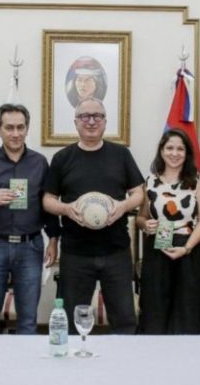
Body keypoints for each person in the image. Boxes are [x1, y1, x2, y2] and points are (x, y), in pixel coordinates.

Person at [43, 98, 144, 334]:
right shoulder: (62, 158)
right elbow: (47, 200)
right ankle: (73, 368)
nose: (91, 121)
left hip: (116, 251)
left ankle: (121, 368)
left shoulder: (121, 155)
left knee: (124, 319)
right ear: (76, 122)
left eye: (97, 116)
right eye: (84, 116)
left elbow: (139, 193)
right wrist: (67, 209)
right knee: (72, 320)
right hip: (76, 253)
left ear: (105, 122)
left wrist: (123, 206)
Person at [0, 104, 60, 334]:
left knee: (28, 318)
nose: (16, 133)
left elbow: (47, 204)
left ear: (27, 129)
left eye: (21, 127)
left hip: (30, 246)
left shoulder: (39, 162)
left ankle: (25, 369)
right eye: (9, 128)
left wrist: (53, 239)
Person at [136, 128, 200, 334]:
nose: (174, 153)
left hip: (189, 249)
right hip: (157, 251)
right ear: (161, 151)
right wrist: (145, 224)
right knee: (155, 312)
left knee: (187, 312)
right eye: (169, 148)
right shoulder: (150, 181)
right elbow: (141, 217)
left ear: (187, 153)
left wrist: (186, 248)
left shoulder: (198, 180)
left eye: (180, 148)